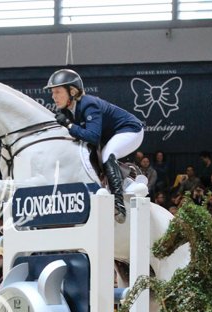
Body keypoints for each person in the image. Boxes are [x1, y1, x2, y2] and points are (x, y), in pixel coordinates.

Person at [45, 68, 144, 221]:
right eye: (52, 92)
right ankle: (126, 180)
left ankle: (119, 204)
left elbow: (93, 137)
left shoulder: (88, 104)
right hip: (110, 135)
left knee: (107, 154)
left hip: (131, 130)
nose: (53, 96)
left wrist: (69, 125)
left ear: (72, 91)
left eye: (57, 92)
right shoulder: (67, 110)